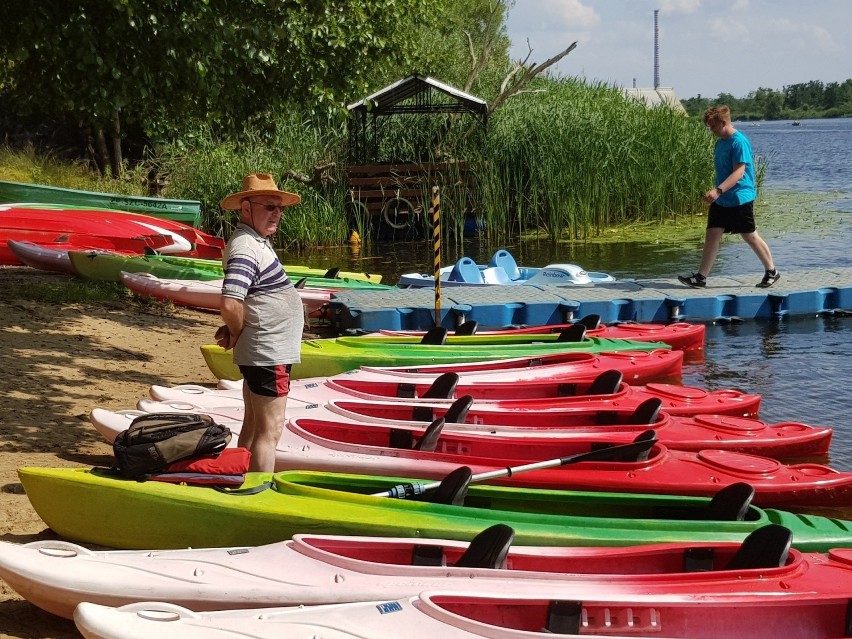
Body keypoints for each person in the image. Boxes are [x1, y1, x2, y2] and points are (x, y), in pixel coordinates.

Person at [215, 173, 304, 472]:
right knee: (271, 432)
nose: (277, 212)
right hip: (269, 353)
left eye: (279, 207)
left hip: (266, 350)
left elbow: (248, 299)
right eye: (269, 206)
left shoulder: (255, 241)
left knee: (253, 427)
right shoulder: (245, 246)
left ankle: (241, 479)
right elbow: (230, 302)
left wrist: (234, 330)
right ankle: (260, 490)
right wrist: (236, 332)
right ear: (246, 209)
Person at [678, 105, 779, 289]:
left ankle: (771, 271)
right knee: (712, 234)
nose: (711, 131)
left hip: (740, 197)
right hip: (723, 198)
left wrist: (718, 190)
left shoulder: (738, 142)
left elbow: (739, 173)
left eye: (713, 127)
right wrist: (718, 192)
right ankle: (701, 278)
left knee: (749, 235)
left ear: (723, 123)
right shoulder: (721, 142)